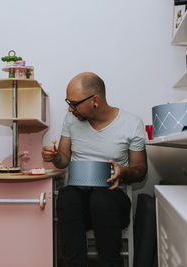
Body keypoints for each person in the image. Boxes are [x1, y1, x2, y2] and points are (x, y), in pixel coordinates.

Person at [42, 72, 147, 267]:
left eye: (74, 103)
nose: (70, 108)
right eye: (68, 102)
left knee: (101, 199)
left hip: (113, 201)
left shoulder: (132, 123)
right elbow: (63, 160)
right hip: (80, 201)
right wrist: (55, 157)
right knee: (66, 197)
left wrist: (123, 171)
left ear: (95, 100)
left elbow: (140, 171)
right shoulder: (71, 120)